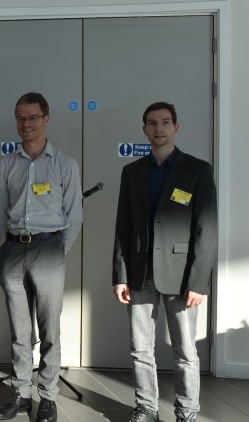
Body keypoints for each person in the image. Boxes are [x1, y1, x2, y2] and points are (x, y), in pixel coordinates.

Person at [113, 102, 217, 422]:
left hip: (181, 275)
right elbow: (123, 226)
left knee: (185, 350)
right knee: (140, 346)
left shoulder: (198, 170)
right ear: (144, 129)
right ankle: (147, 407)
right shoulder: (132, 172)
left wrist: (198, 281)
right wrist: (120, 274)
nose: (158, 128)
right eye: (152, 123)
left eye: (165, 122)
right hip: (139, 271)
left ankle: (187, 411)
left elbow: (207, 228)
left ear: (176, 127)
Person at [0, 92, 82, 422]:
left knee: (49, 330)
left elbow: (74, 216)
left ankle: (48, 397)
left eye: (32, 117)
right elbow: (1, 214)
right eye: (21, 117)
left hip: (49, 249)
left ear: (46, 119)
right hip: (14, 250)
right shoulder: (6, 164)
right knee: (19, 331)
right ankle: (20, 394)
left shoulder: (65, 164)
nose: (26, 123)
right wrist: (7, 248)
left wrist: (57, 250)